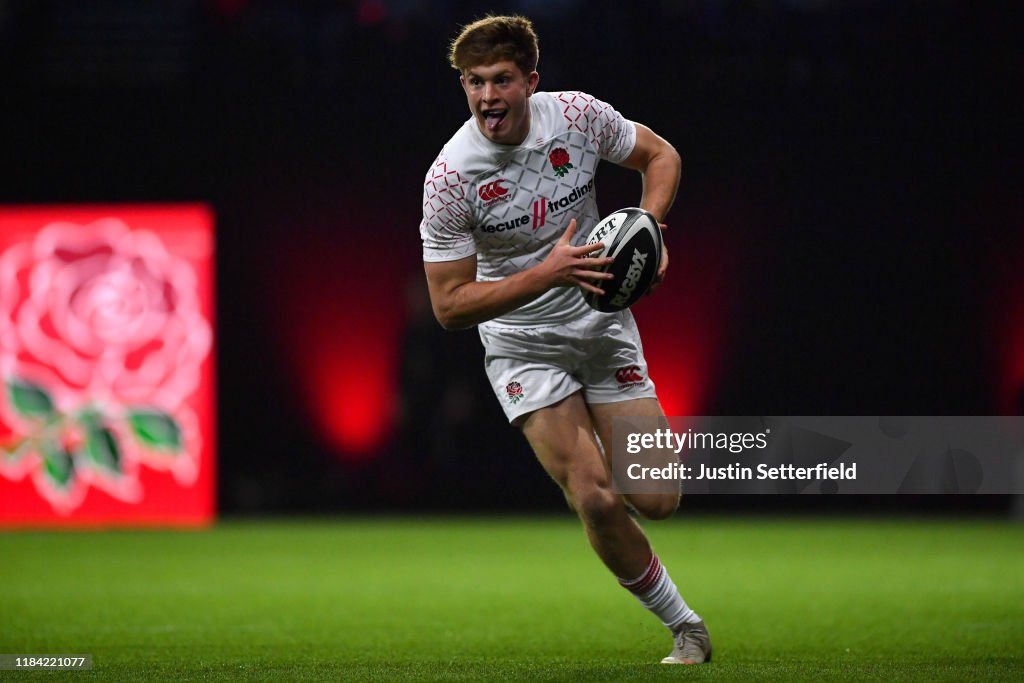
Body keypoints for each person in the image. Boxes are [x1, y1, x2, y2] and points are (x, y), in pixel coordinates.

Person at [419, 15, 711, 665]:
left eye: (500, 81)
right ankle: (686, 626)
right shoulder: (450, 177)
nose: (487, 97)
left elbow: (660, 156)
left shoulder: (576, 117)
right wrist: (546, 272)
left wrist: (648, 228)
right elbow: (448, 305)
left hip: (603, 327)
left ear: (531, 81)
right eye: (473, 83)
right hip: (525, 346)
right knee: (594, 493)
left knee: (657, 498)